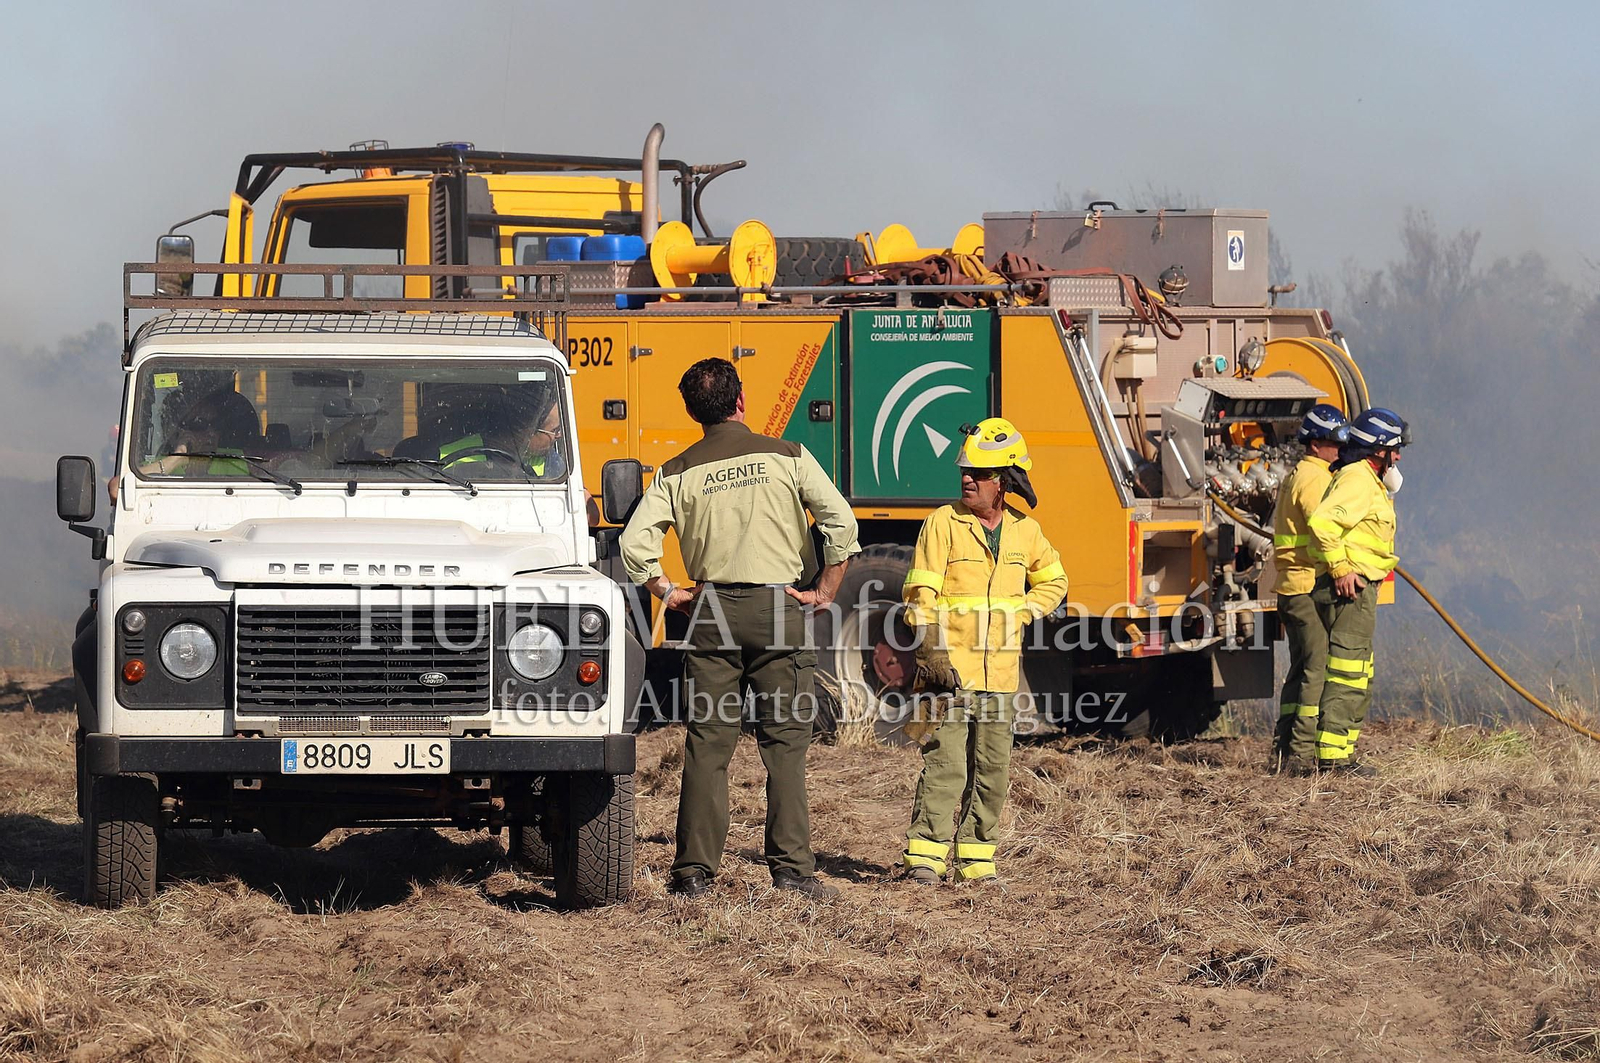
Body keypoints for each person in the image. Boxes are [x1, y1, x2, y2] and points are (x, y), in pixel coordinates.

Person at [619, 357, 860, 900]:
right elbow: (840, 522)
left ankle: (694, 874)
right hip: (778, 610)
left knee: (708, 745)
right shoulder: (789, 456)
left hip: (710, 612)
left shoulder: (676, 471)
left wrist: (671, 593)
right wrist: (824, 589)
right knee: (785, 746)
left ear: (692, 413)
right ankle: (792, 872)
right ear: (742, 400)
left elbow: (635, 546)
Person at [900, 418, 1068, 885]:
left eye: (980, 472)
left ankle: (977, 862)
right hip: (950, 674)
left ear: (1006, 481)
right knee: (946, 765)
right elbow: (920, 592)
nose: (967, 478)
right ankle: (925, 862)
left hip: (1000, 677)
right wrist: (931, 648)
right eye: (965, 471)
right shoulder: (942, 524)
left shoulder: (1025, 532)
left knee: (993, 770)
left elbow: (1056, 580)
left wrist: (1026, 611)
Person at [1307, 407, 1409, 775]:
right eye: (1394, 449)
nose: (1398, 457)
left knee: (1359, 670)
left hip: (1361, 589)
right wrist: (1341, 568)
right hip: (1349, 590)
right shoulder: (1357, 479)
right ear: (1377, 449)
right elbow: (1322, 523)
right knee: (1348, 672)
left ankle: (1342, 753)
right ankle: (1332, 758)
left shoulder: (1367, 480)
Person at [1268, 404, 1349, 775]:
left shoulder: (1300, 473)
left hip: (1291, 586)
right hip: (1304, 586)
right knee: (1317, 668)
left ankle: (1284, 746)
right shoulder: (1315, 479)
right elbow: (1325, 528)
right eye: (1336, 442)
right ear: (1316, 444)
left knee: (1300, 670)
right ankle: (1299, 754)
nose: (1341, 448)